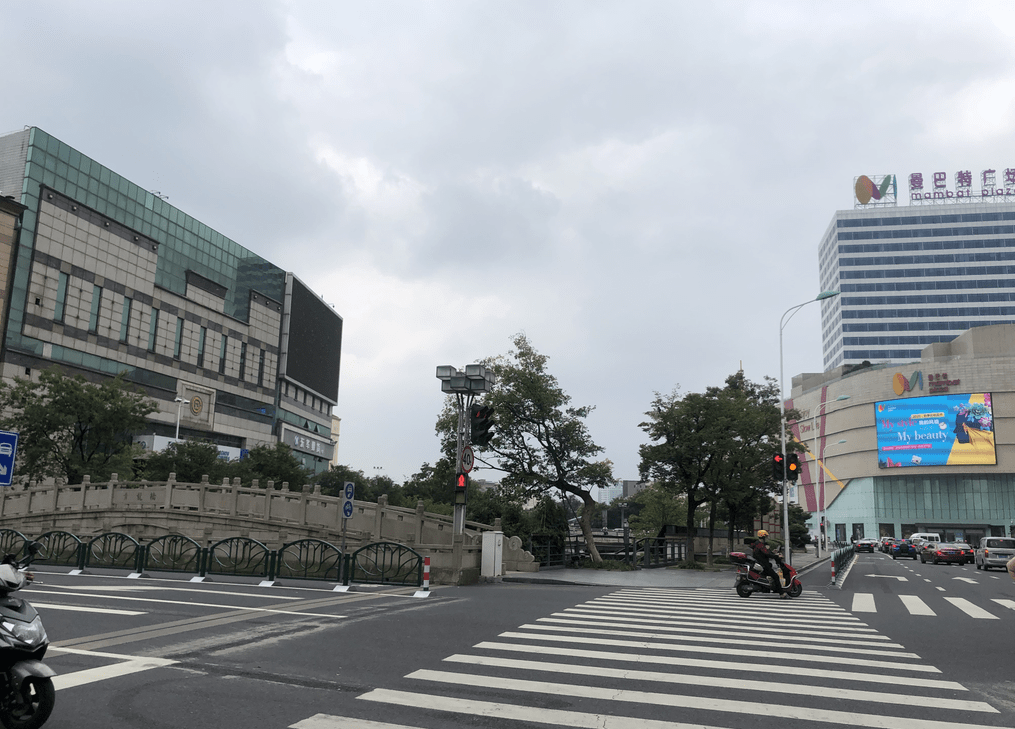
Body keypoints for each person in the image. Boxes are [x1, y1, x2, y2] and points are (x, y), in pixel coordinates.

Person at [752, 529, 790, 599]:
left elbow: (766, 553)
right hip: (763, 564)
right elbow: (767, 554)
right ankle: (781, 593)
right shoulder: (760, 545)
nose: (766, 537)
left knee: (770, 575)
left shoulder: (758, 543)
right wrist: (776, 556)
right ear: (763, 537)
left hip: (761, 563)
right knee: (775, 576)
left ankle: (768, 587)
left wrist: (773, 552)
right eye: (766, 536)